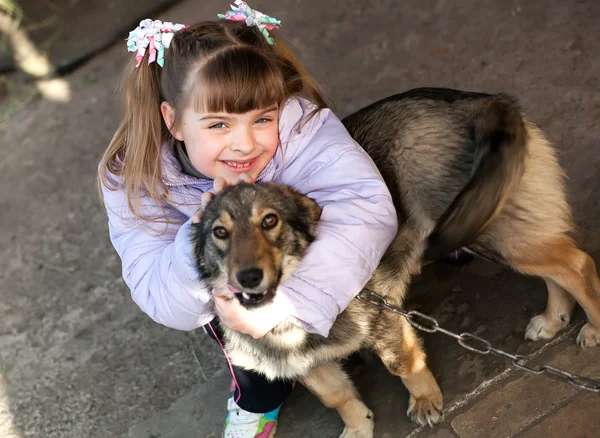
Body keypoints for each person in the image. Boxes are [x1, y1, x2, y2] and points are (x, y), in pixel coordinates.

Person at [97, 2, 397, 437]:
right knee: (243, 349)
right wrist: (199, 240)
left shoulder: (301, 127)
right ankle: (257, 400)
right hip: (229, 293)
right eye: (218, 124)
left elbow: (365, 207)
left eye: (262, 118)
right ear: (173, 121)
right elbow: (157, 291)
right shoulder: (134, 180)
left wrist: (291, 305)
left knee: (371, 277)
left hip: (307, 267)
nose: (245, 144)